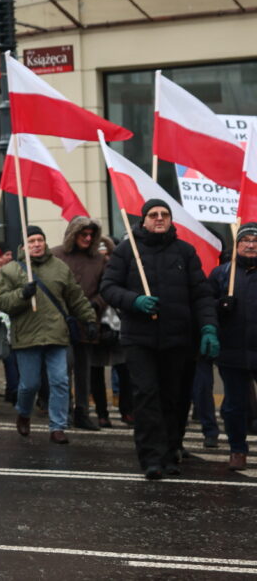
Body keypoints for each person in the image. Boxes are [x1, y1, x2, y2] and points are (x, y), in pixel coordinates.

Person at [100, 199, 218, 480]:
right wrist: (134, 300)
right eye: (153, 214)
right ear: (143, 220)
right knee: (147, 396)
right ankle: (151, 458)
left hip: (177, 339)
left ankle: (171, 452)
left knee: (173, 399)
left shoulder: (185, 252)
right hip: (139, 339)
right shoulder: (128, 252)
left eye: (164, 214)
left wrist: (208, 328)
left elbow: (201, 295)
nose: (159, 218)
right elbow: (108, 287)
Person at [0, 225, 97, 445]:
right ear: (24, 246)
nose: (36, 244)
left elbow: (75, 297)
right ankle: (23, 412)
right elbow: (2, 302)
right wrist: (22, 294)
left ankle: (57, 427)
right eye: (31, 241)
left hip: (56, 335)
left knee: (60, 381)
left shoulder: (60, 267)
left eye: (40, 240)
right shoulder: (11, 270)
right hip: (27, 336)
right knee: (29, 384)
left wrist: (88, 319)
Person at [51, 216, 107, 431]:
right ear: (73, 235)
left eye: (91, 235)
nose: (87, 238)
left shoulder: (99, 260)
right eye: (83, 234)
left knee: (84, 371)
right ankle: (62, 412)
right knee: (62, 370)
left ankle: (82, 413)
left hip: (88, 322)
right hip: (61, 321)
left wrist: (96, 305)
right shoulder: (56, 255)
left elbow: (106, 288)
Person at [209, 223, 257, 470]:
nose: (250, 244)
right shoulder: (221, 274)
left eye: (255, 240)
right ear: (237, 245)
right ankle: (238, 450)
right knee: (235, 405)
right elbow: (205, 306)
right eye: (245, 240)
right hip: (232, 351)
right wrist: (220, 305)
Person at [90, 236, 134, 428]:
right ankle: (102, 413)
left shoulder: (121, 269)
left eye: (106, 253)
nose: (103, 258)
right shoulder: (89, 269)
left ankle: (127, 411)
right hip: (96, 324)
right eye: (99, 254)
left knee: (125, 370)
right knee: (96, 371)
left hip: (118, 325)